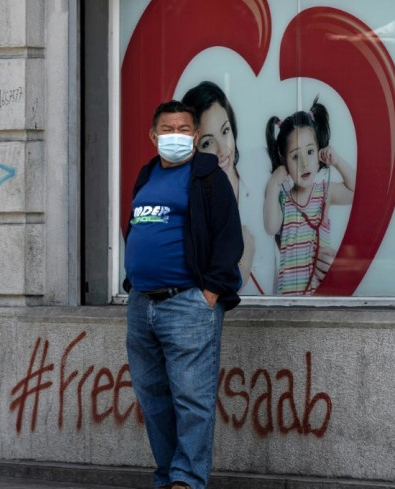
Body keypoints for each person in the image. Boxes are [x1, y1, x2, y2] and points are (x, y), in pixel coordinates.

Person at [124, 100, 243, 489]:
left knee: (193, 401)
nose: (175, 136)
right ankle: (168, 475)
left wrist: (209, 293)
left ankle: (187, 480)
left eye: (184, 129)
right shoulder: (146, 175)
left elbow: (229, 238)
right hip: (143, 305)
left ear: (195, 136)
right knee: (153, 400)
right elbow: (137, 228)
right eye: (168, 129)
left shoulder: (208, 176)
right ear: (153, 136)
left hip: (188, 303)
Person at [263, 97, 356, 295]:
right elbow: (271, 227)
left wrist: (337, 161)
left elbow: (356, 192)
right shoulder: (283, 198)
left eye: (310, 152)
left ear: (319, 151)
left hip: (320, 293)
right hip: (289, 298)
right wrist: (273, 185)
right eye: (295, 156)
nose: (305, 163)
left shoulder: (325, 192)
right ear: (283, 160)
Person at [181, 81, 262, 294]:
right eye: (207, 143)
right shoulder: (189, 205)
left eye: (225, 131)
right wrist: (245, 261)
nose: (222, 149)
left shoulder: (262, 170)